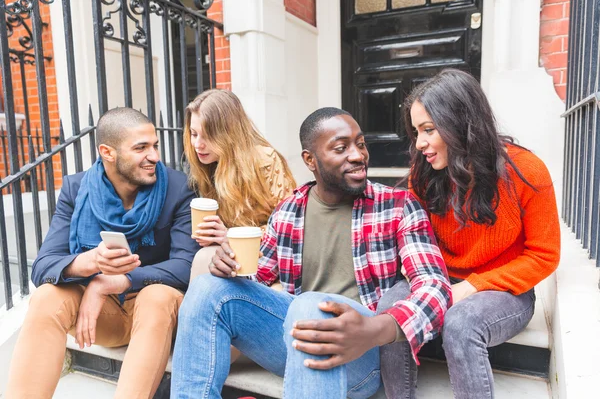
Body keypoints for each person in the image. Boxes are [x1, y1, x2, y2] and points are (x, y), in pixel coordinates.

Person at [170, 107, 452, 399]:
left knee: (312, 306)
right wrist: (228, 266)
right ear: (310, 160)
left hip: (361, 354)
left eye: (361, 144)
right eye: (341, 148)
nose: (358, 155)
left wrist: (377, 328)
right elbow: (259, 278)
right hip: (300, 340)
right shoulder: (289, 211)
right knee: (207, 286)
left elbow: (435, 286)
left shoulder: (397, 204)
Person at [383, 69, 561, 399]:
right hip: (439, 278)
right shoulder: (423, 174)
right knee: (392, 303)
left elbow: (544, 255)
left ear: (460, 124)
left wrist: (471, 287)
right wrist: (429, 282)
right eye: (416, 132)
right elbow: (413, 241)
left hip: (505, 288)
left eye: (428, 130)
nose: (419, 143)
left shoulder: (527, 172)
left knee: (462, 323)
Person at [5, 108, 198, 399]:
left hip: (158, 315)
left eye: (154, 145)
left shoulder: (178, 188)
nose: (154, 156)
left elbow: (186, 265)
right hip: (101, 317)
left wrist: (122, 280)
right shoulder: (75, 189)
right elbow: (44, 265)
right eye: (140, 148)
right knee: (45, 297)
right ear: (107, 152)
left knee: (157, 296)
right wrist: (89, 263)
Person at [183, 89, 296, 281]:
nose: (198, 144)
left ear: (228, 134)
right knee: (204, 259)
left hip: (270, 261)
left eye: (207, 136)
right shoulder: (205, 168)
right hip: (230, 259)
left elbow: (290, 226)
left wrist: (230, 235)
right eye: (194, 134)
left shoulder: (264, 160)